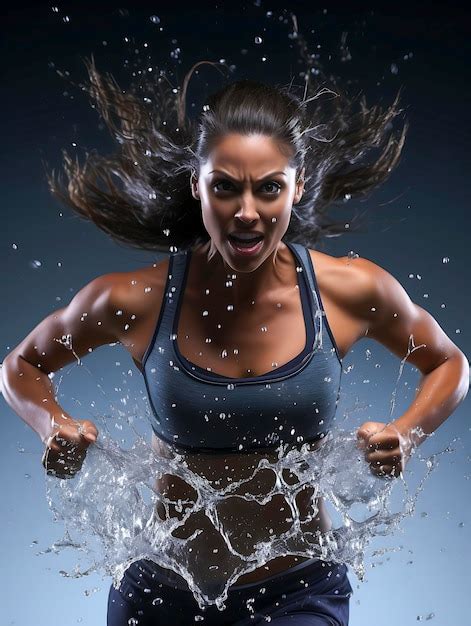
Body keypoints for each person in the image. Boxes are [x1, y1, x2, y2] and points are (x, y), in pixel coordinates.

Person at [1, 58, 468, 626]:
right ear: (197, 186)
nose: (247, 212)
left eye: (269, 188)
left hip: (296, 592)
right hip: (160, 592)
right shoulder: (135, 300)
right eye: (225, 188)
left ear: (296, 188)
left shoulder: (348, 291)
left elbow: (448, 364)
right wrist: (53, 424)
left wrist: (406, 433)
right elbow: (22, 364)